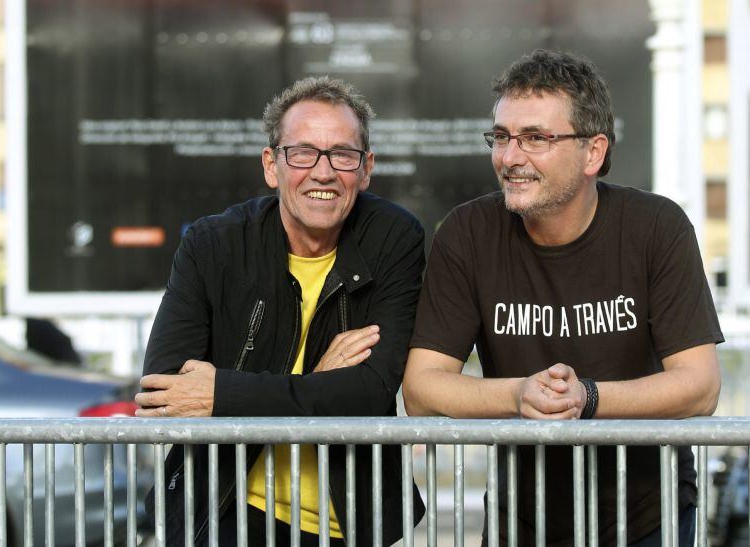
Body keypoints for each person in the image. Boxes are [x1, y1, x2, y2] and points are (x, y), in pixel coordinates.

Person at [402, 49, 723, 546]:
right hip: (521, 519)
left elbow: (700, 386)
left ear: (593, 152)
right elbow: (422, 389)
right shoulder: (468, 231)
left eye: (535, 138)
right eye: (502, 137)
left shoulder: (656, 227)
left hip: (646, 518)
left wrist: (587, 398)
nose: (510, 157)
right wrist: (517, 395)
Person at [135, 76, 425, 546]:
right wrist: (319, 383)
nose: (323, 172)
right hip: (224, 511)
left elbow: (370, 393)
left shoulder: (393, 238)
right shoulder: (214, 244)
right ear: (272, 165)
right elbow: (163, 390)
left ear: (366, 169)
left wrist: (221, 393)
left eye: (342, 155)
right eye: (302, 152)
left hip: (348, 522)